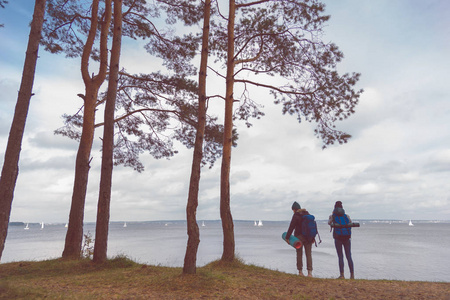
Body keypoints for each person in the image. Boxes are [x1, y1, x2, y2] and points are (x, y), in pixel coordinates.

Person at [285, 201, 313, 277]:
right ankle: (310, 273)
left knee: (299, 254)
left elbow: (291, 227)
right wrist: (313, 238)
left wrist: (287, 238)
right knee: (308, 254)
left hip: (299, 237)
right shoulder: (308, 214)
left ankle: (300, 272)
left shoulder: (296, 215)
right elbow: (311, 227)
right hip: (308, 237)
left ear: (294, 209)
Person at [328, 201, 354, 279]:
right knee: (349, 256)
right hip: (347, 237)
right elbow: (350, 223)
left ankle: (342, 274)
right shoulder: (346, 216)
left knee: (340, 256)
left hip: (338, 237)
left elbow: (329, 223)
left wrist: (332, 214)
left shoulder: (332, 216)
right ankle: (352, 274)